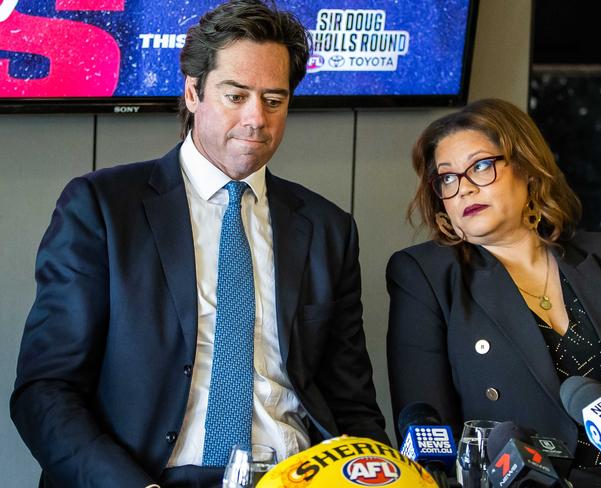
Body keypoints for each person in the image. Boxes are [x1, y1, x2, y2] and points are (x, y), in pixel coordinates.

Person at [11, 1, 388, 486]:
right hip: (150, 477)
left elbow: (352, 403)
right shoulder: (103, 208)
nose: (257, 119)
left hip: (296, 473)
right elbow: (45, 390)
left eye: (274, 100)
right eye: (236, 96)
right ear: (193, 92)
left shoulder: (327, 229)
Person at [386, 98, 601, 480]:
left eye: (480, 166)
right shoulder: (424, 274)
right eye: (447, 177)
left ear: (527, 168)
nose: (463, 189)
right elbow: (427, 427)